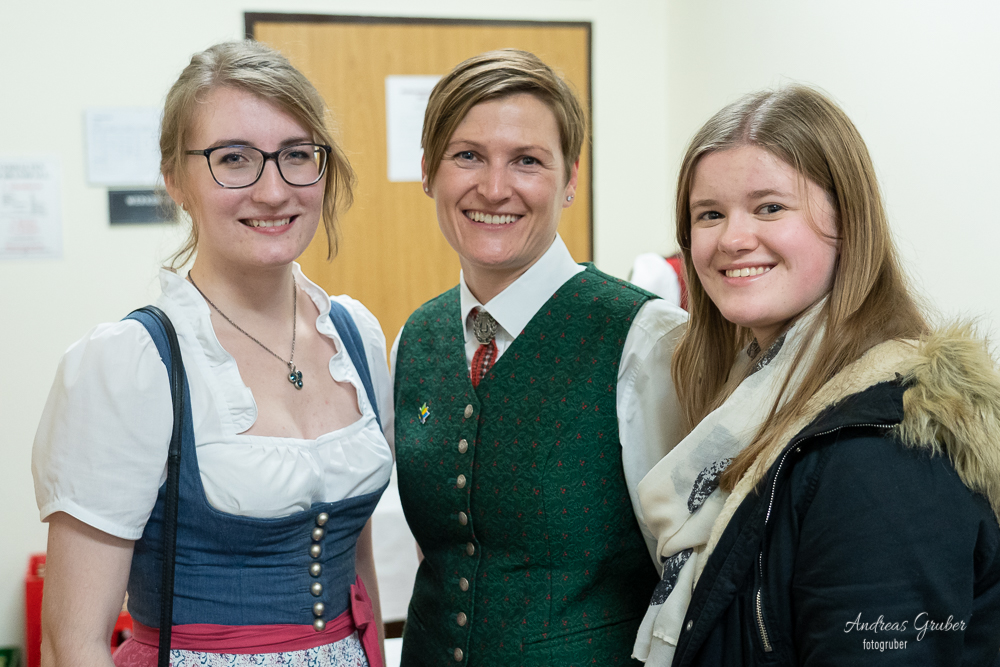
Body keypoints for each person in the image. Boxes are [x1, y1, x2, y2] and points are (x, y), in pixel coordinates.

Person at [32, 41, 393, 667]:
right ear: (176, 179)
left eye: (296, 155)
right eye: (233, 159)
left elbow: (356, 564)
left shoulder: (355, 338)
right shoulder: (133, 365)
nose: (273, 190)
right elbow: (74, 642)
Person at [634, 85, 1000, 666]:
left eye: (770, 207)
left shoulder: (883, 448)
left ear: (848, 221)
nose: (732, 239)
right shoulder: (756, 397)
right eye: (710, 214)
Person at [390, 49, 688, 666]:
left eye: (526, 160)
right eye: (467, 155)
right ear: (427, 171)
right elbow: (444, 547)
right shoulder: (414, 339)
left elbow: (685, 571)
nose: (494, 188)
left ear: (570, 179)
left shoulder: (646, 338)